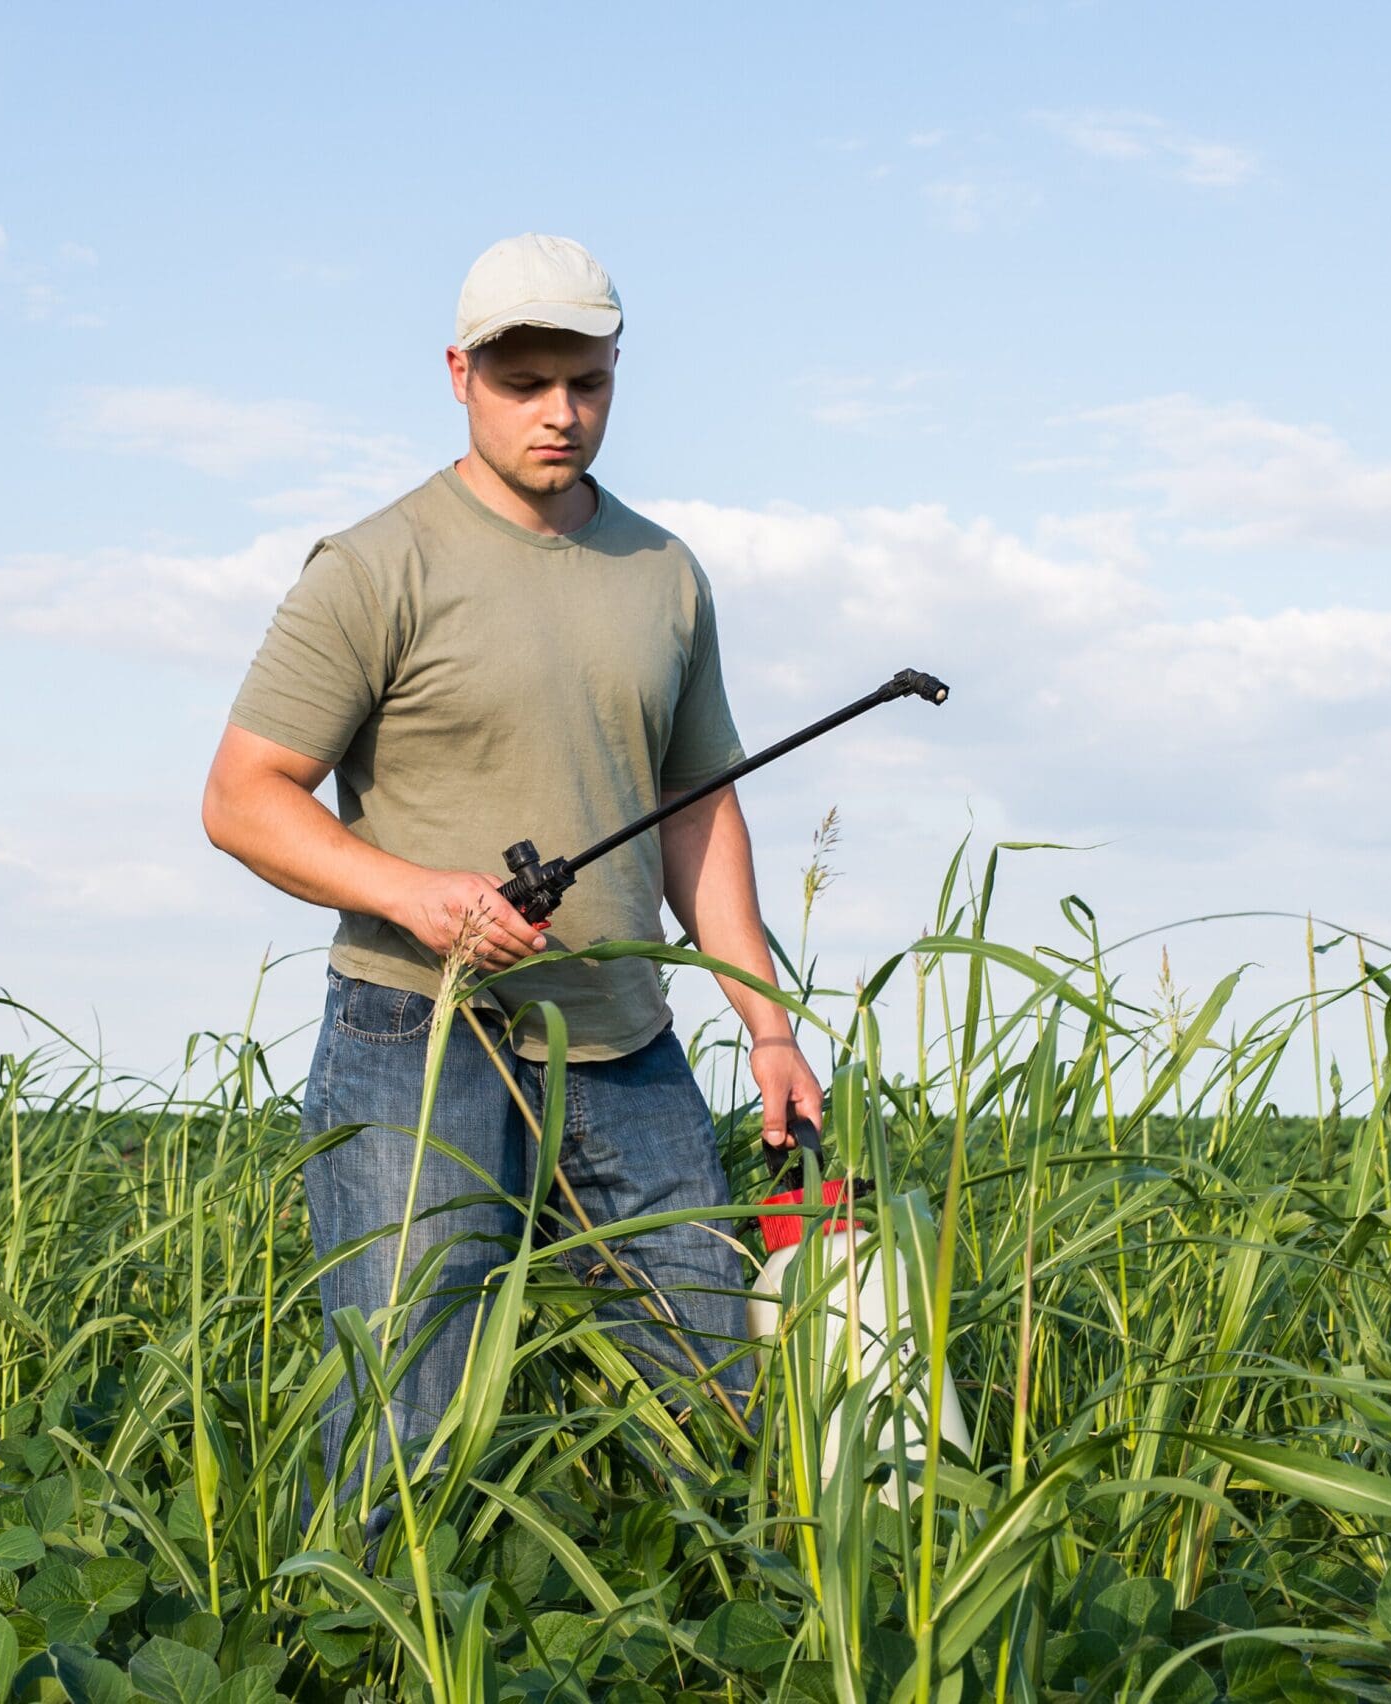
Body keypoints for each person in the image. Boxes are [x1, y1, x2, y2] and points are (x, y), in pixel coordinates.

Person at [200, 233, 821, 1488]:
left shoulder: (663, 573)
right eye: (525, 383)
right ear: (459, 374)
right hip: (417, 1040)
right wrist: (416, 897)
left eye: (585, 382)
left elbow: (698, 808)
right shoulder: (377, 567)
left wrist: (765, 1028)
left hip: (626, 1044)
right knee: (404, 1417)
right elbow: (242, 798)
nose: (560, 413)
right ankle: (377, 1663)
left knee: (725, 1402)